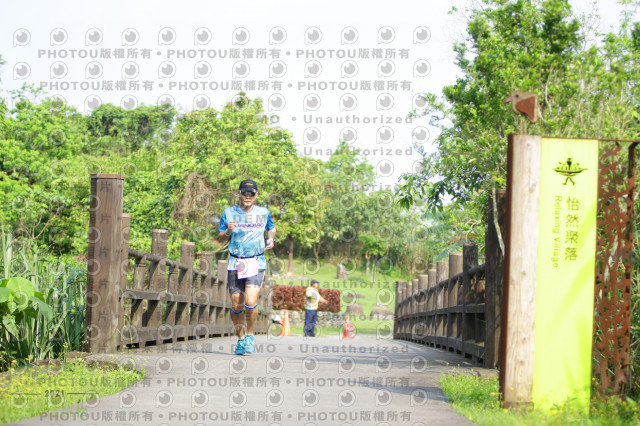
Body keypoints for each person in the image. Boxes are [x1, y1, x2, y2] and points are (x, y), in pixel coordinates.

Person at [218, 179, 275, 355]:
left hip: (255, 261)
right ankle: (241, 338)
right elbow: (221, 236)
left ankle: (250, 335)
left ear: (256, 195)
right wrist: (228, 231)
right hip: (236, 261)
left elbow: (271, 228)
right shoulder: (228, 212)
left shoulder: (264, 213)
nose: (248, 196)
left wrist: (271, 238)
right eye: (245, 193)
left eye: (251, 194)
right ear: (239, 193)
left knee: (251, 301)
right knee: (237, 305)